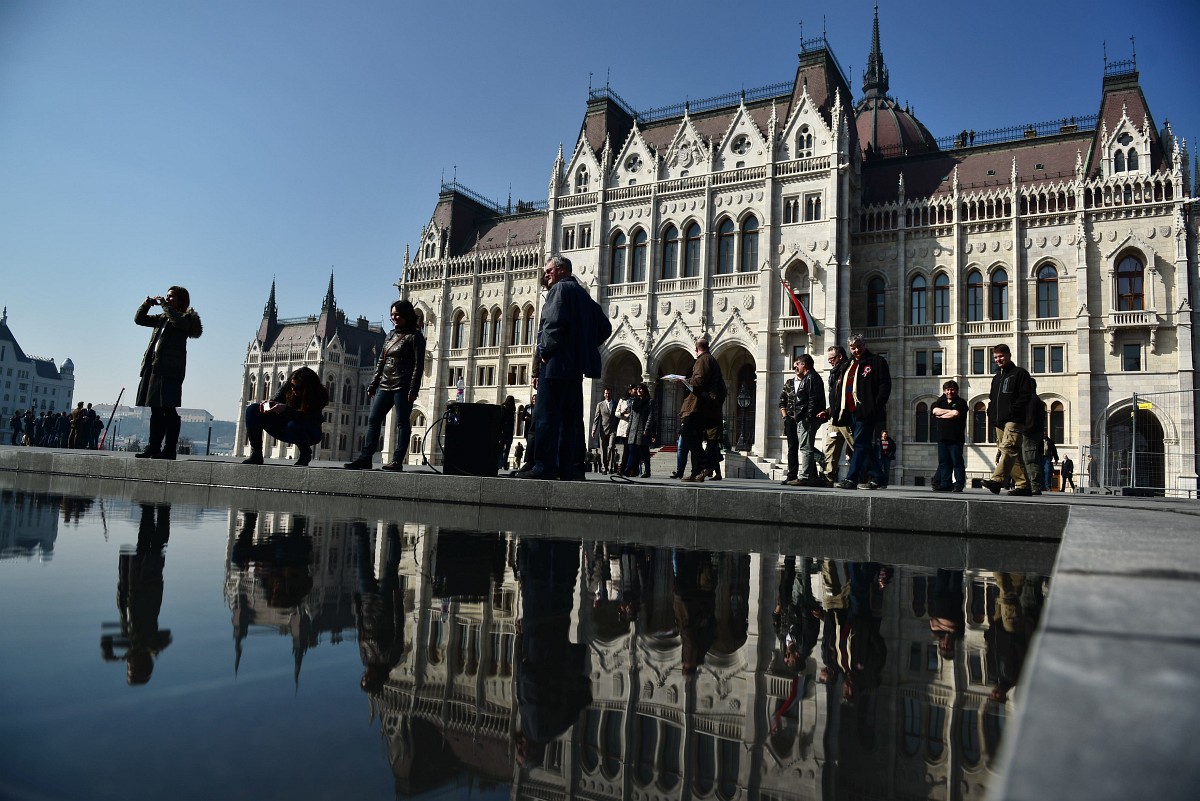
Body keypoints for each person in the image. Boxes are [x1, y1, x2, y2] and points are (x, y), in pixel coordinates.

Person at [515, 255, 611, 480]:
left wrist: (546, 352)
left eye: (549, 270)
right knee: (571, 420)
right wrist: (582, 345)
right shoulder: (584, 297)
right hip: (574, 369)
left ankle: (544, 467)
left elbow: (552, 324)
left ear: (561, 270)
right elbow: (605, 327)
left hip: (556, 365)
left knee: (547, 417)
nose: (546, 274)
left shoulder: (559, 291)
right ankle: (571, 469)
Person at [345, 300, 426, 471]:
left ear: (406, 314)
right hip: (385, 384)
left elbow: (419, 366)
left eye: (397, 315)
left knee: (403, 423)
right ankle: (366, 457)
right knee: (374, 420)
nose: (394, 318)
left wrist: (414, 389)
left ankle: (397, 460)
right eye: (392, 316)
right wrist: (373, 384)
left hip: (403, 385)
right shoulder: (389, 335)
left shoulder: (415, 337)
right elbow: (381, 361)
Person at [134, 286, 203, 460]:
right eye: (167, 296)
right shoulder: (163, 317)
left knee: (168, 409)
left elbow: (178, 322)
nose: (167, 299)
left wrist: (166, 306)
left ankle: (169, 448)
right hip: (154, 366)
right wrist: (146, 305)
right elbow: (139, 320)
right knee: (155, 409)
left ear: (181, 300)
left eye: (172, 297)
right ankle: (153, 446)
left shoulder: (185, 318)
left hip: (170, 369)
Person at [835, 334, 891, 490]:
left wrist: (876, 406)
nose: (856, 350)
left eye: (859, 346)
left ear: (864, 344)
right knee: (864, 445)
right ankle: (879, 477)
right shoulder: (848, 365)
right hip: (850, 411)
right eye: (853, 347)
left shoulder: (877, 362)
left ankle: (851, 478)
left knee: (859, 444)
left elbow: (885, 385)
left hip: (867, 411)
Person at [242, 366, 329, 466]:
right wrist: (268, 405)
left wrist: (285, 409)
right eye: (292, 386)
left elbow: (307, 417)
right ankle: (256, 453)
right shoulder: (288, 387)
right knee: (252, 409)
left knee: (294, 425)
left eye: (298, 387)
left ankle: (305, 454)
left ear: (308, 387)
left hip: (309, 432)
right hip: (285, 427)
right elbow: (275, 402)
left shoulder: (320, 395)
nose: (293, 389)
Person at [981, 343, 1035, 496]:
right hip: (999, 421)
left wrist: (1014, 410)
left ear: (1009, 355)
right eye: (996, 357)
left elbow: (1025, 396)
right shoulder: (996, 377)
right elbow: (992, 399)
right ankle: (1023, 485)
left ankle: (997, 481)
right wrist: (991, 413)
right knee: (1013, 453)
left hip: (1014, 419)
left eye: (1001, 356)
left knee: (1009, 449)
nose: (998, 360)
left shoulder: (1020, 373)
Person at [678, 338, 725, 482]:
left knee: (686, 432)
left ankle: (705, 464)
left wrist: (684, 380)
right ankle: (695, 473)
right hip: (706, 407)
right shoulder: (710, 360)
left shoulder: (703, 360)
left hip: (699, 407)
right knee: (695, 437)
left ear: (696, 349)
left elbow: (699, 381)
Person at [779, 354, 826, 487]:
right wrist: (786, 416)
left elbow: (812, 399)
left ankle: (805, 476)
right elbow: (782, 401)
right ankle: (813, 475)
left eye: (797, 364)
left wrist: (808, 416)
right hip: (799, 418)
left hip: (806, 418)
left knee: (805, 447)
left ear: (804, 364)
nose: (795, 366)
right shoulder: (807, 378)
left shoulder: (811, 378)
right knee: (805, 446)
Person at [817, 345, 854, 486]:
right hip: (835, 416)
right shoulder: (835, 372)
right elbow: (835, 398)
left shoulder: (847, 369)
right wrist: (828, 411)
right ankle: (828, 478)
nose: (829, 362)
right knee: (830, 447)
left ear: (839, 357)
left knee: (856, 446)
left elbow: (846, 396)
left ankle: (866, 476)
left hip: (845, 416)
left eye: (831, 359)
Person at [931, 379, 968, 492]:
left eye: (952, 389)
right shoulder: (941, 400)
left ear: (956, 390)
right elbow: (934, 411)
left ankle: (959, 485)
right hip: (942, 438)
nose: (950, 392)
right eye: (947, 390)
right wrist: (948, 412)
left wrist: (942, 415)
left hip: (955, 438)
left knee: (957, 462)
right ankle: (945, 483)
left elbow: (955, 413)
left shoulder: (961, 402)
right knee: (944, 462)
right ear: (944, 391)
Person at [621, 383, 656, 477]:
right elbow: (631, 417)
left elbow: (650, 416)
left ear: (644, 391)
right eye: (638, 389)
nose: (639, 391)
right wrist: (628, 430)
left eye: (641, 389)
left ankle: (647, 471)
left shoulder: (649, 402)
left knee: (645, 452)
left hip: (642, 431)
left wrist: (647, 429)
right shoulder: (635, 402)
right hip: (633, 430)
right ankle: (628, 470)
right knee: (632, 451)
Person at [1021, 389, 1047, 495]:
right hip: (1034, 433)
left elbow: (1030, 418)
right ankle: (1031, 484)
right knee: (1029, 458)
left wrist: (1025, 430)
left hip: (1030, 434)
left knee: (1030, 459)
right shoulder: (1036, 400)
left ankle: (1034, 485)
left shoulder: (1031, 399)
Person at [590, 387, 619, 474]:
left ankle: (610, 467)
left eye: (609, 393)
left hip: (613, 429)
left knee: (611, 447)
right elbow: (596, 418)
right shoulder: (600, 404)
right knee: (603, 449)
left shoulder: (616, 404)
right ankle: (604, 467)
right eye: (606, 393)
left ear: (611, 394)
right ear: (604, 394)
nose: (607, 395)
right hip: (603, 429)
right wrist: (594, 429)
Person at [498, 395, 517, 470]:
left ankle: (503, 463)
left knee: (503, 448)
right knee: (504, 448)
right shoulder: (504, 408)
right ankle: (503, 463)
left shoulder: (511, 409)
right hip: (506, 431)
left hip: (506, 432)